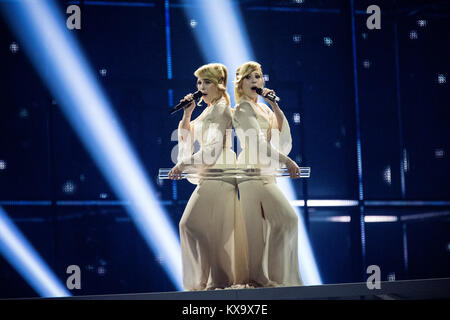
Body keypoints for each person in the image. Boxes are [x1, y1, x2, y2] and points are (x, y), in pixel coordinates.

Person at [168, 63, 248, 291]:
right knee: (201, 228)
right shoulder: (208, 111)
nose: (201, 87)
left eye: (206, 82)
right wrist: (187, 112)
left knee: (194, 226)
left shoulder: (222, 109)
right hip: (210, 175)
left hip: (220, 173)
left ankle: (216, 281)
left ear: (220, 85)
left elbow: (213, 148)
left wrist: (183, 164)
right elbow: (187, 135)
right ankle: (212, 280)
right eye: (199, 83)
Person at [232, 61, 303, 287]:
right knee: (274, 223)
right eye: (249, 78)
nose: (255, 81)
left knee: (274, 224)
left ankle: (273, 276)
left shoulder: (262, 108)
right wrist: (288, 162)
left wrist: (275, 107)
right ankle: (260, 276)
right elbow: (258, 144)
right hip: (251, 172)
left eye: (258, 77)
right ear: (240, 84)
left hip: (265, 171)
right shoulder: (243, 109)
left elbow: (280, 137)